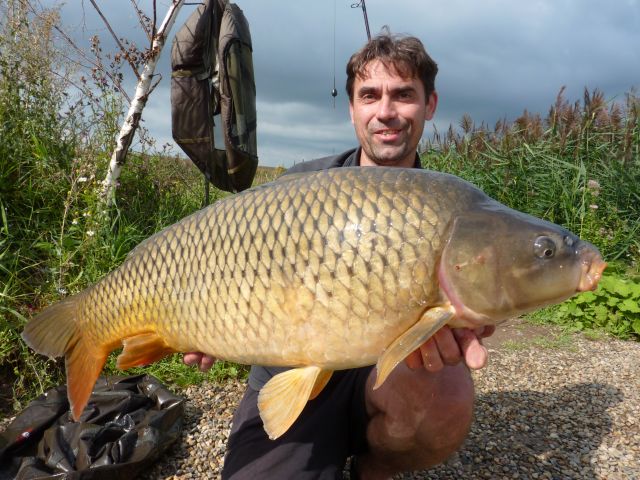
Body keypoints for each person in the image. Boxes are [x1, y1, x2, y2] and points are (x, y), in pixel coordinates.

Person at [184, 31, 495, 479]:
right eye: (370, 95)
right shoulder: (302, 186)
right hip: (294, 375)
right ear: (353, 109)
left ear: (429, 105)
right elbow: (227, 268)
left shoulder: (449, 207)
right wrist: (200, 319)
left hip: (393, 375)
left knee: (447, 396)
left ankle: (368, 471)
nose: (385, 111)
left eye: (404, 95)